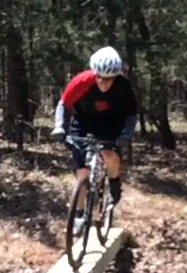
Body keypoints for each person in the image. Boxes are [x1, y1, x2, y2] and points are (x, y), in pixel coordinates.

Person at [51, 46, 138, 208]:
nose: (104, 83)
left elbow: (131, 114)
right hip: (83, 122)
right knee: (82, 172)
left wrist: (126, 135)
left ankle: (114, 180)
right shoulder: (81, 81)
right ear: (94, 73)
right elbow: (64, 104)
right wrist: (59, 127)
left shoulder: (122, 86)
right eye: (100, 78)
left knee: (108, 153)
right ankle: (78, 214)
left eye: (109, 79)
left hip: (111, 123)